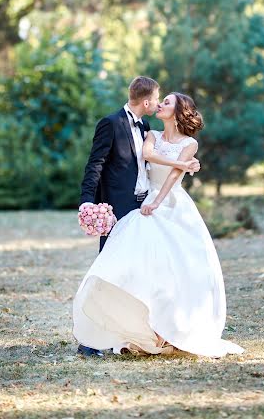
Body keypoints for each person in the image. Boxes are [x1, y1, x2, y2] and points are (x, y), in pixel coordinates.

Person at [73, 92, 244, 358]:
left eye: (166, 103)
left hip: (171, 204)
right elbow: (148, 155)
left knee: (177, 268)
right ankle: (120, 328)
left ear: (178, 113)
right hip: (144, 202)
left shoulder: (190, 144)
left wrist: (159, 201)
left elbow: (174, 177)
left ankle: (170, 330)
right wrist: (181, 164)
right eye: (160, 100)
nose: (160, 105)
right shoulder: (150, 134)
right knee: (138, 266)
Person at [77, 78, 201, 356]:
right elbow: (94, 165)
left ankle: (138, 332)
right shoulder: (110, 124)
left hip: (144, 208)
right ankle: (91, 340)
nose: (158, 104)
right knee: (108, 271)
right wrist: (87, 202)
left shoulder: (147, 128)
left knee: (142, 274)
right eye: (158, 100)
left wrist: (184, 163)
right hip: (117, 208)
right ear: (146, 102)